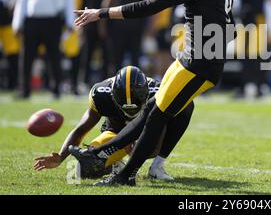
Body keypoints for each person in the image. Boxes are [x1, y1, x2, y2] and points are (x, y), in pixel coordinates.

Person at [70, 0, 236, 186]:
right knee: (151, 110)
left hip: (198, 63)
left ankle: (126, 175)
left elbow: (150, 6)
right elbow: (231, 28)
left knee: (156, 116)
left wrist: (100, 13)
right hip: (193, 58)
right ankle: (98, 154)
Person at [34, 66, 193, 180]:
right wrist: (61, 157)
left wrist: (140, 141)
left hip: (148, 128)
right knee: (83, 170)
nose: (130, 111)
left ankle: (157, 166)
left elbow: (157, 131)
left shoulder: (157, 92)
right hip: (115, 130)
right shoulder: (101, 94)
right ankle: (116, 162)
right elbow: (82, 129)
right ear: (113, 96)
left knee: (186, 105)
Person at [12, 0, 75, 98]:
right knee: (27, 57)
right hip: (32, 20)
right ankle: (24, 89)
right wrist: (17, 22)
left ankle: (56, 89)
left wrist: (70, 20)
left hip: (52, 20)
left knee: (54, 56)